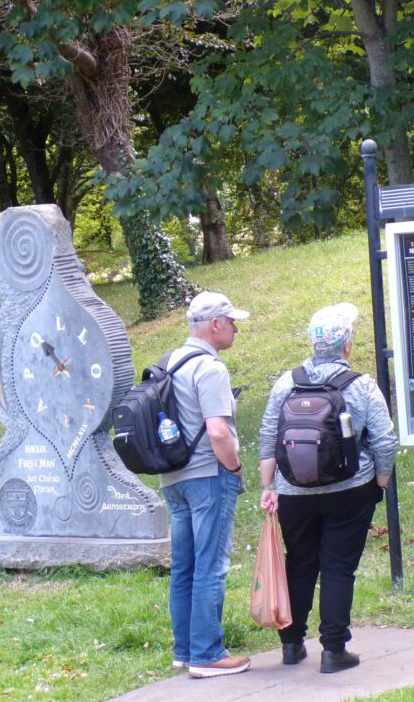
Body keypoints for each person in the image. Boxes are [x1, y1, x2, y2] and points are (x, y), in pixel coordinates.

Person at [258, 303, 396, 674]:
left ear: (311, 342)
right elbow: (384, 442)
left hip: (293, 493)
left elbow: (269, 435)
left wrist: (268, 485)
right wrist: (378, 484)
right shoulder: (362, 386)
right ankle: (334, 650)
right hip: (351, 490)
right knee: (338, 568)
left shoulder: (286, 384)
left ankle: (291, 645)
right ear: (347, 344)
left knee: (299, 563)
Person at [160, 291, 251, 679]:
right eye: (231, 321)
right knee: (211, 566)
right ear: (214, 324)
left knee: (185, 565)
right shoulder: (210, 369)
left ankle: (185, 650)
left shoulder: (169, 363)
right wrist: (233, 468)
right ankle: (207, 654)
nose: (235, 328)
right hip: (207, 476)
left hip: (172, 477)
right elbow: (217, 431)